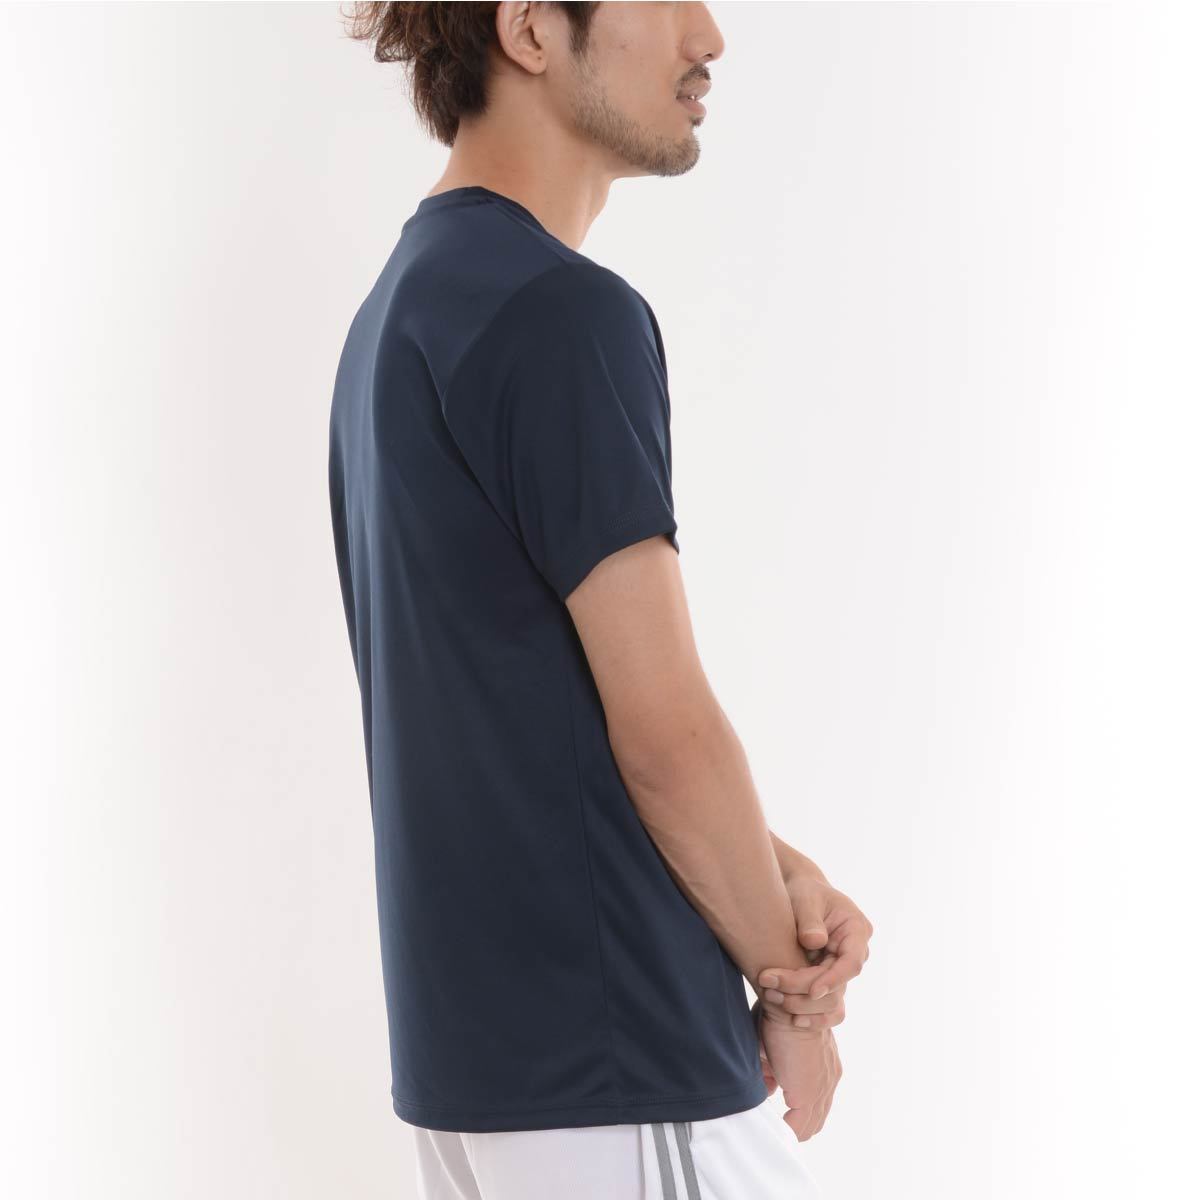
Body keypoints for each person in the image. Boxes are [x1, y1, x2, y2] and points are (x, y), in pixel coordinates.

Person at [328, 4, 873, 1196]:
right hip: (620, 1061)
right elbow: (663, 733)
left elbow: (524, 718)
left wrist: (765, 863)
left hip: (490, 1079)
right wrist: (792, 990)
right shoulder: (561, 312)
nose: (709, 37)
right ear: (532, 29)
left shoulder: (401, 313)